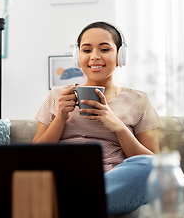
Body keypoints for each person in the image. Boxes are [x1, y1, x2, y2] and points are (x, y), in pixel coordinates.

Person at [33, 21, 162, 215]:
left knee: (152, 167)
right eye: (86, 50)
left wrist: (118, 126)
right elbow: (33, 157)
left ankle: (65, 204)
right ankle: (82, 203)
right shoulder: (57, 96)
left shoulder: (138, 101)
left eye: (104, 49)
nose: (95, 56)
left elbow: (156, 164)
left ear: (120, 55)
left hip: (111, 181)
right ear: (78, 57)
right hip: (62, 177)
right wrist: (61, 117)